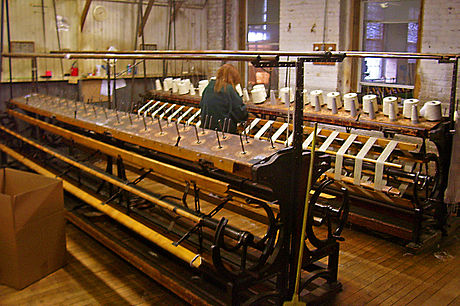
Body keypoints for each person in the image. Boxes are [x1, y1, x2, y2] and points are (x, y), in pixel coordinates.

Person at [200, 64, 248, 134]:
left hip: (207, 130)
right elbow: (240, 114)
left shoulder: (209, 86)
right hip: (224, 132)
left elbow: (201, 105)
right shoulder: (228, 89)